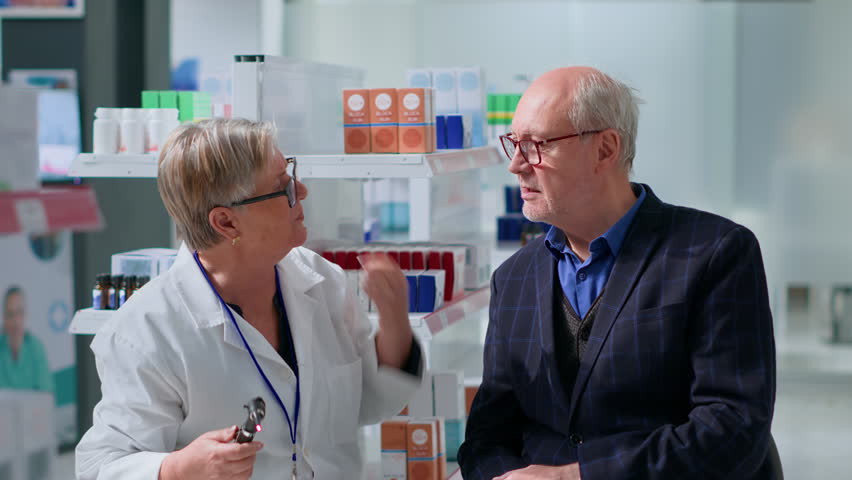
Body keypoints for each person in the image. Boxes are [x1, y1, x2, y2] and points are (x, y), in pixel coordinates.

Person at [458, 67, 777, 479]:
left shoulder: (715, 253)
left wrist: (574, 476)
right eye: (514, 144)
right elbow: (486, 439)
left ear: (605, 149)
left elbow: (733, 429)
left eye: (537, 145)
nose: (516, 165)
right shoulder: (513, 279)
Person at [76, 118, 423, 479]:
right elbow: (101, 468)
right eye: (282, 187)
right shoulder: (146, 332)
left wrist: (394, 320)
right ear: (226, 223)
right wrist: (178, 468)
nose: (302, 191)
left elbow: (371, 402)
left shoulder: (323, 282)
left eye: (291, 174)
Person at [0, 285, 53, 392]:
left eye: (19, 313)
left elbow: (46, 394)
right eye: (10, 314)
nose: (16, 321)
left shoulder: (36, 348)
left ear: (25, 314)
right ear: (4, 317)